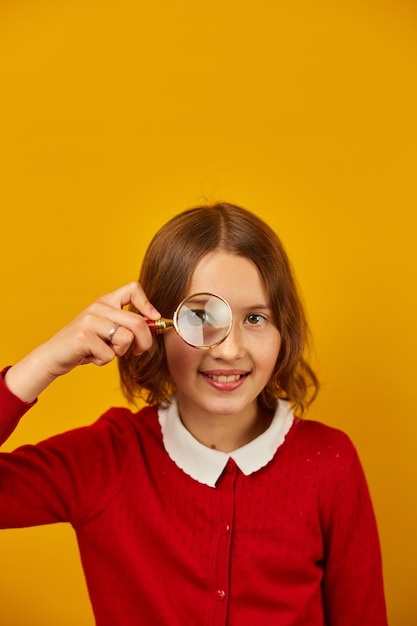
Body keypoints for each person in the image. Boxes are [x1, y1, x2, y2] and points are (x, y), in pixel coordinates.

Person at [0, 202, 387, 625]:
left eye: (255, 318)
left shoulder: (330, 462)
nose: (229, 349)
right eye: (202, 316)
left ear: (284, 332)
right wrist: (42, 364)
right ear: (156, 326)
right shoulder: (107, 460)